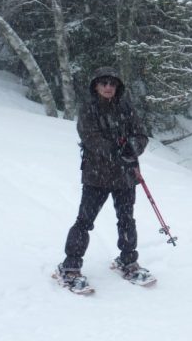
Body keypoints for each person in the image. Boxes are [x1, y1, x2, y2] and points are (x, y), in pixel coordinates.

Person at [54, 66, 150, 292]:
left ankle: (127, 261)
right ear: (96, 86)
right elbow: (90, 138)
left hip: (125, 176)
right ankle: (70, 267)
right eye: (104, 83)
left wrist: (133, 147)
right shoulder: (89, 109)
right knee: (85, 221)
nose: (108, 87)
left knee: (127, 219)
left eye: (112, 83)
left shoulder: (126, 107)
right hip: (97, 175)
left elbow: (141, 135)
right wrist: (119, 151)